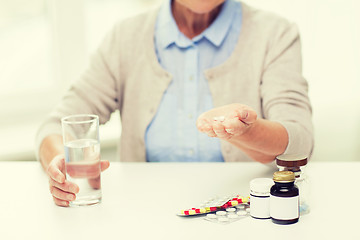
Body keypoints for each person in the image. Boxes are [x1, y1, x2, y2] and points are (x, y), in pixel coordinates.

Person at [36, 0, 314, 207]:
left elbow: (300, 141)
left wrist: (246, 131)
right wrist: (60, 165)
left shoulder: (276, 34)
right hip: (144, 215)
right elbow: (55, 126)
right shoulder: (125, 37)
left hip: (245, 217)